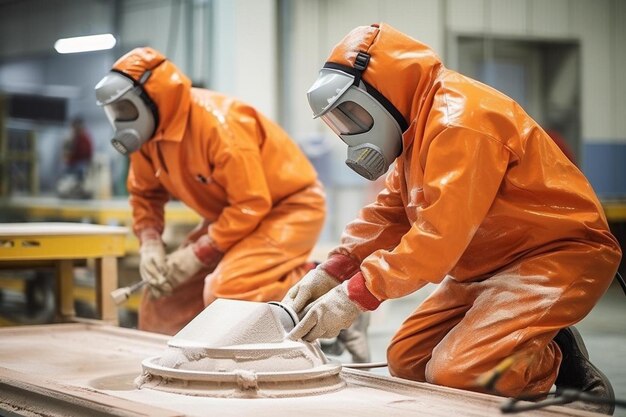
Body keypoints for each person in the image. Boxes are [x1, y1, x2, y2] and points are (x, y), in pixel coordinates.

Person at [281, 23, 622, 414]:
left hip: (553, 255)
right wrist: (332, 271)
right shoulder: (416, 130)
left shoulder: (459, 120)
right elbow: (389, 213)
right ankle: (521, 337)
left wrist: (354, 295)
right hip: (488, 262)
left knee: (462, 373)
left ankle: (556, 360)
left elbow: (437, 238)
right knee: (406, 361)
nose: (349, 132)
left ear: (382, 92)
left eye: (351, 115)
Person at [94, 47, 326, 336]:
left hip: (290, 207)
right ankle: (178, 372)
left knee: (227, 291)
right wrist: (150, 242)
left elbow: (251, 203)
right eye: (113, 112)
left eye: (124, 109)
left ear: (152, 97)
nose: (120, 121)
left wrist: (197, 254)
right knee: (164, 295)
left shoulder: (221, 127)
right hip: (232, 216)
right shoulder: (149, 137)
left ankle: (320, 287)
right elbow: (145, 194)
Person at [58, 116, 93, 198]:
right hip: (71, 163)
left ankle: (80, 190)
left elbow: (88, 154)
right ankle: (67, 190)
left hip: (81, 163)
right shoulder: (70, 138)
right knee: (64, 170)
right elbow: (66, 154)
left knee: (81, 169)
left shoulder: (85, 139)